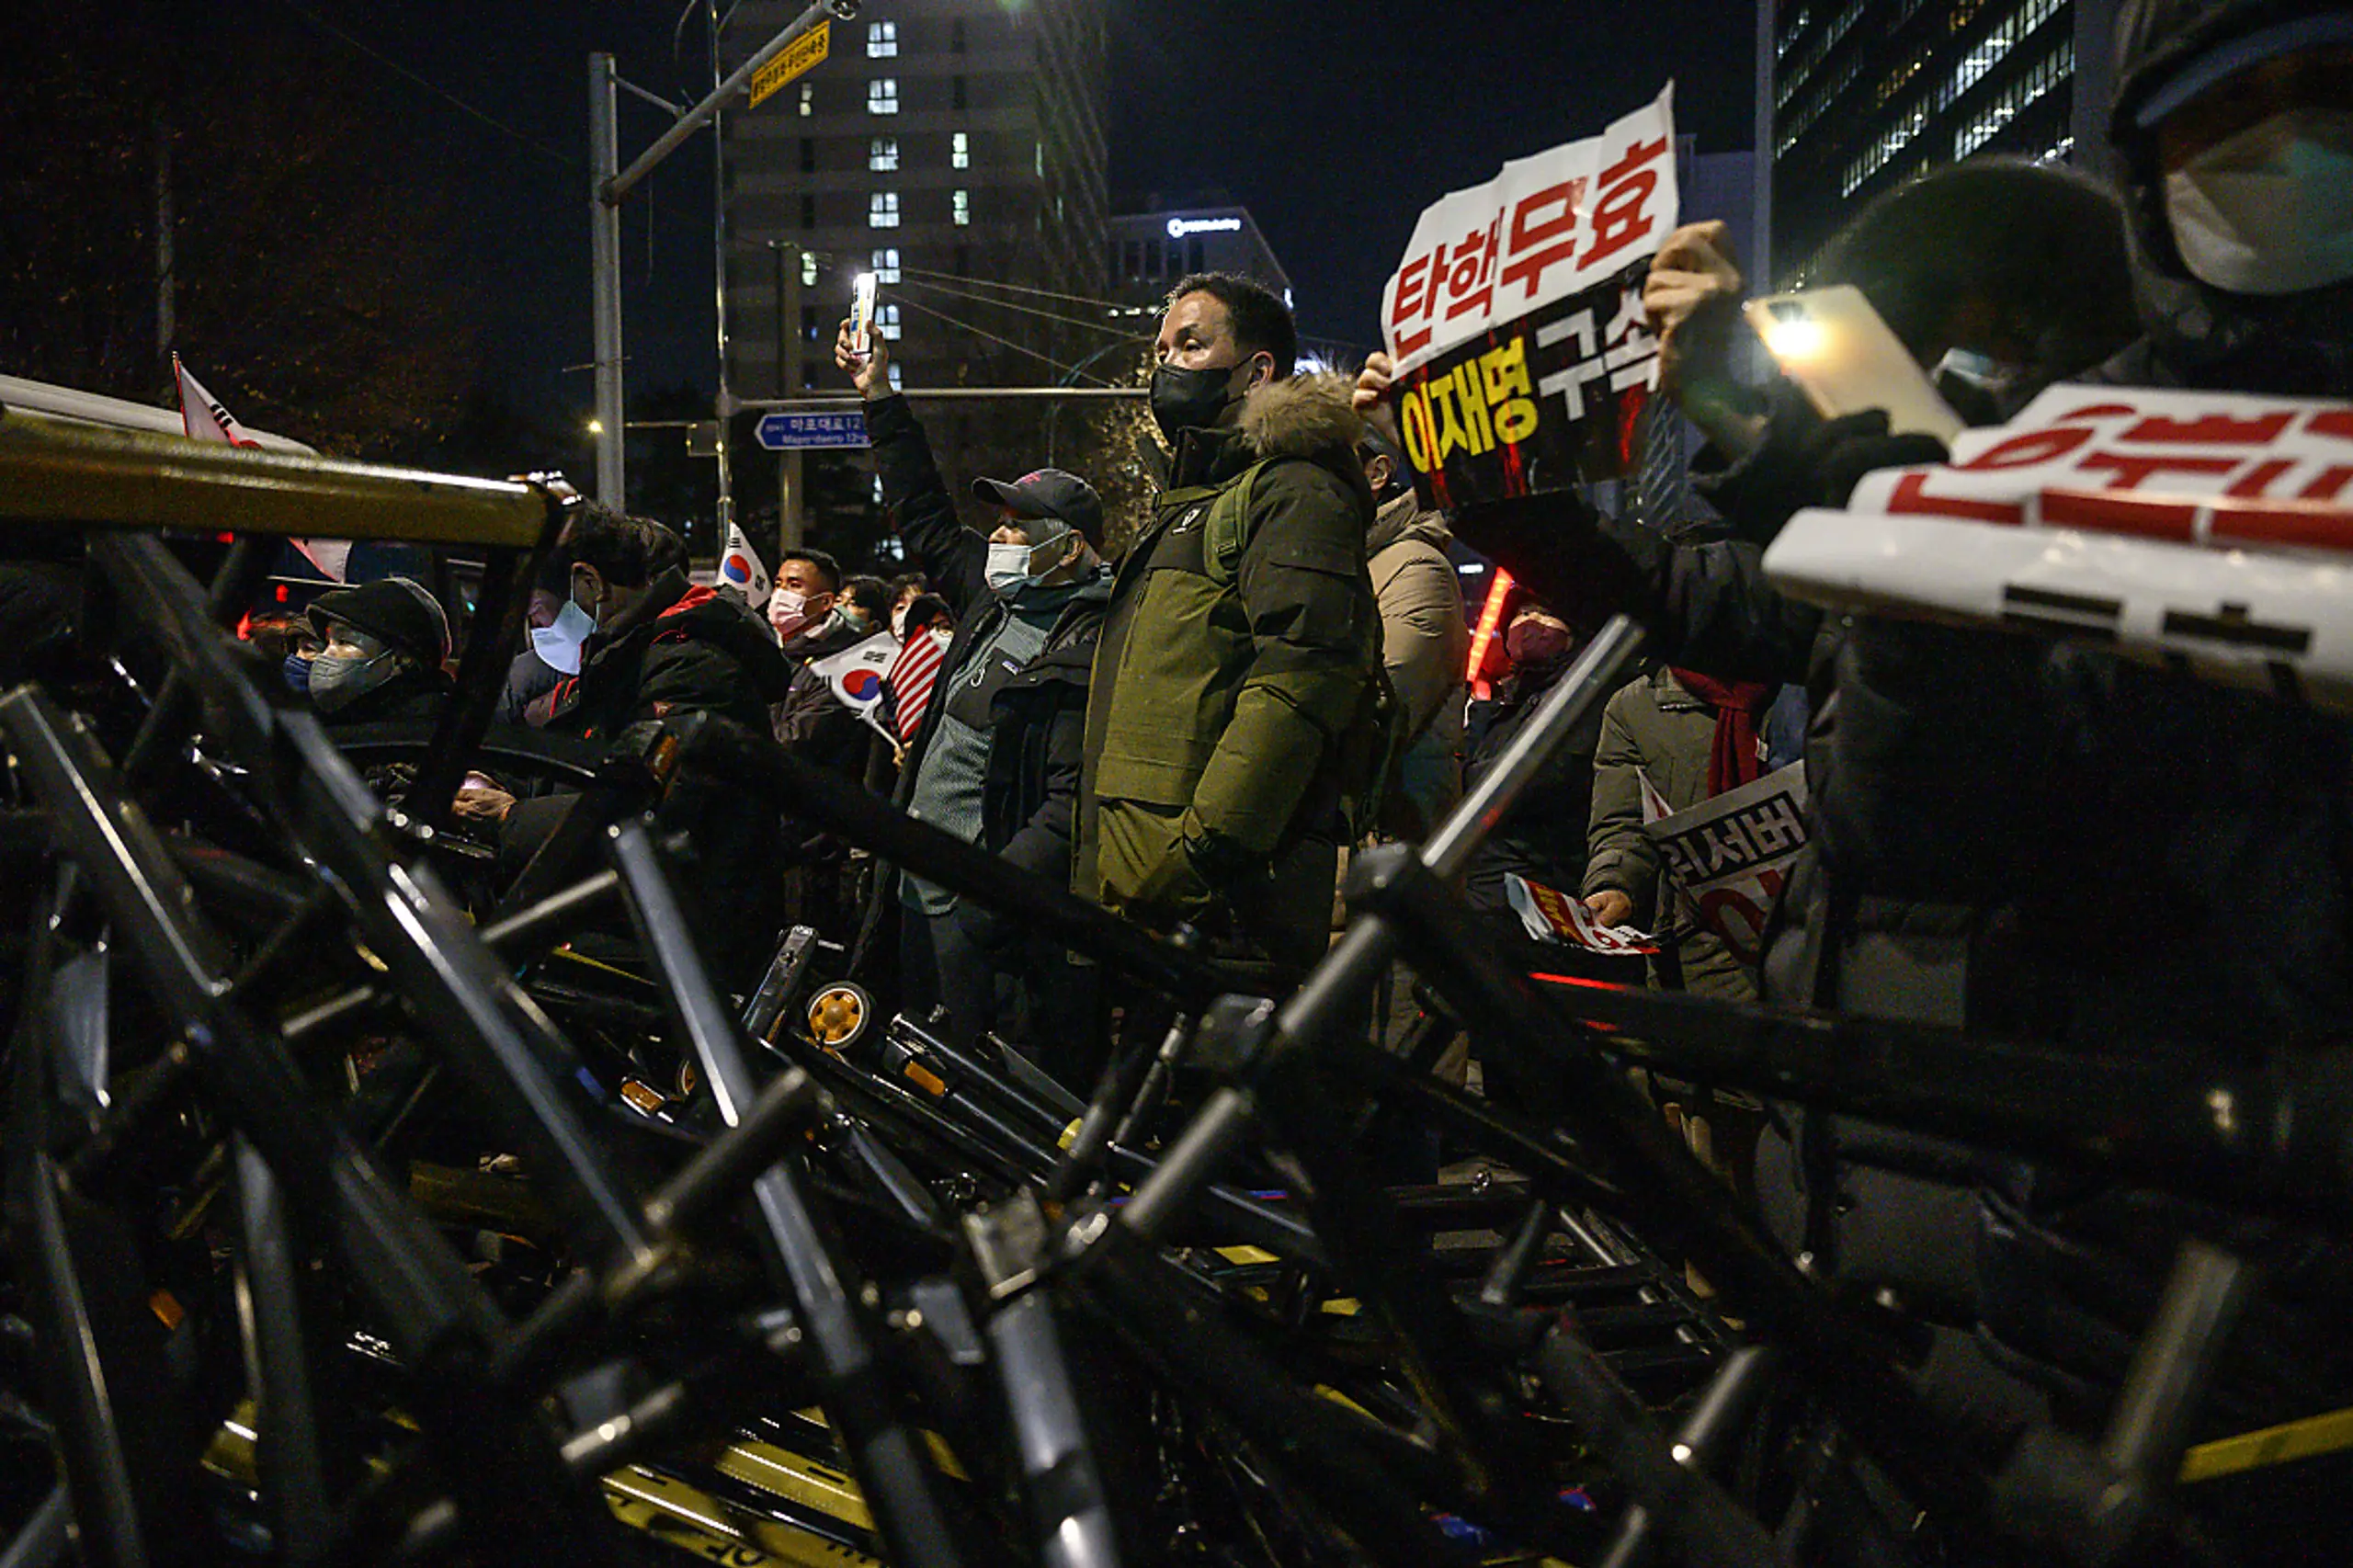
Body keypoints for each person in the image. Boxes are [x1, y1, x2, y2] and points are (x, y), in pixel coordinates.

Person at [1078, 272, 1387, 977]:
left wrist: (1198, 854)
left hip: (1223, 912)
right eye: (1161, 350)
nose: (1166, 367)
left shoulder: (1295, 490)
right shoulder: (1193, 500)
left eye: (1191, 345)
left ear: (1258, 370)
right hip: (1154, 902)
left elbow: (1302, 682)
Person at [836, 317, 1113, 1071]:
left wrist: (991, 897)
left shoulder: (1095, 638)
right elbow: (924, 512)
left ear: (1073, 547)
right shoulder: (993, 602)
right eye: (999, 524)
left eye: (1020, 529)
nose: (999, 539)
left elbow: (1067, 798)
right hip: (916, 889)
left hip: (985, 910)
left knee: (970, 1074)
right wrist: (878, 395)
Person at [463, 501, 793, 981]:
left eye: (541, 609)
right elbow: (589, 763)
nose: (536, 627)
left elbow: (654, 806)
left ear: (591, 584)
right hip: (635, 921)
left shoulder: (688, 665)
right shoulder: (630, 653)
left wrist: (511, 817)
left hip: (677, 947)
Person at [1458, 595, 1624, 920]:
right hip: (1492, 877)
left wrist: (1471, 776)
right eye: (1521, 613)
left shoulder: (1586, 694)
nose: (1530, 621)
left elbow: (1542, 779)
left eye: (1545, 614)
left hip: (1541, 877)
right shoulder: (1507, 699)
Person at [1357, 420, 1467, 842]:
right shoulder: (1348, 560)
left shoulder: (1415, 567)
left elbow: (1380, 712)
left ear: (1378, 473)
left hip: (1388, 849)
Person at [301, 576, 454, 727]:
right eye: (328, 642)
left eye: (344, 642)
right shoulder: (332, 720)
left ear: (401, 659)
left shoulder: (422, 729)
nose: (326, 654)